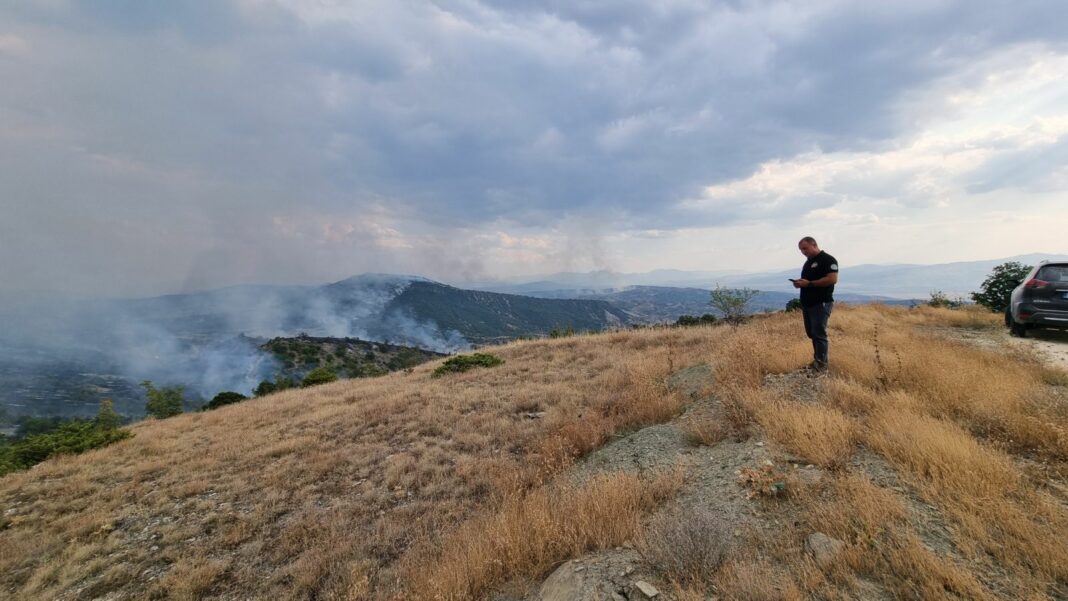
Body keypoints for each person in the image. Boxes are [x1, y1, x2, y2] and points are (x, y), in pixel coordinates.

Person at [792, 237, 838, 372]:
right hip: (808, 303)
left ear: (814, 245)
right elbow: (808, 281)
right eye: (801, 249)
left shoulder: (828, 260)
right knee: (812, 333)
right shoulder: (808, 262)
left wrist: (810, 284)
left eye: (805, 248)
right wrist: (800, 284)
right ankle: (817, 361)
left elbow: (832, 279)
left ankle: (822, 365)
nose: (803, 252)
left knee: (819, 333)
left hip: (821, 303)